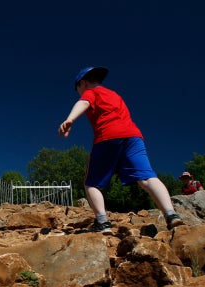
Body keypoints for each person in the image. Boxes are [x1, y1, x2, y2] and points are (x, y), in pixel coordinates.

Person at [58, 66, 184, 233]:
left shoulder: (91, 92)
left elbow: (84, 102)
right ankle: (171, 214)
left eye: (78, 89)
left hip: (108, 135)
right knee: (147, 177)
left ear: (83, 83)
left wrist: (69, 120)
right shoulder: (115, 95)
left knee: (91, 183)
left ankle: (102, 222)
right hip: (133, 137)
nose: (80, 93)